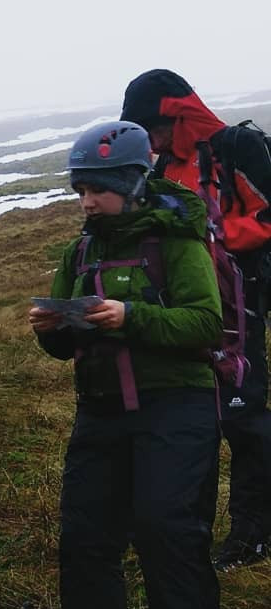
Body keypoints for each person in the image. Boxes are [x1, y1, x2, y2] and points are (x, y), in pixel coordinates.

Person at [29, 120, 223, 609]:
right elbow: (64, 348)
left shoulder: (176, 241)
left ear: (134, 184)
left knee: (167, 530)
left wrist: (130, 317)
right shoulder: (80, 251)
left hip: (176, 407)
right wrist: (52, 330)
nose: (88, 201)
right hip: (100, 410)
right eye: (81, 190)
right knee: (85, 535)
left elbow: (206, 323)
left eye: (100, 189)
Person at [121, 70, 271, 571]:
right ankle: (188, 533)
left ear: (177, 115)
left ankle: (253, 535)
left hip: (239, 305)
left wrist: (207, 237)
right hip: (184, 309)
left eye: (153, 128)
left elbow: (267, 217)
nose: (151, 141)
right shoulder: (165, 166)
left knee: (243, 417)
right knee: (191, 415)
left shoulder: (236, 148)